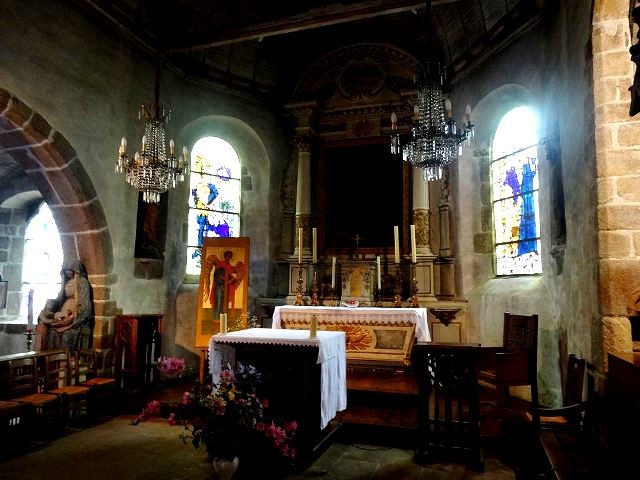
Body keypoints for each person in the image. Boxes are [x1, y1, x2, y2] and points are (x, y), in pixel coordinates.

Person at [41, 259, 93, 351]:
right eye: (65, 270)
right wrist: (50, 305)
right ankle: (53, 361)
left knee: (66, 335)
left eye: (70, 270)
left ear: (75, 270)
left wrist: (73, 316)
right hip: (64, 317)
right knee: (52, 332)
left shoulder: (82, 282)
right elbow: (60, 299)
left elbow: (84, 306)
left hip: (76, 320)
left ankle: (66, 362)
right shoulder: (67, 282)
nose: (67, 272)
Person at [203, 250, 245, 320]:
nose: (228, 257)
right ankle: (216, 319)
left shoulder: (231, 267)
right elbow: (217, 274)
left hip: (226, 288)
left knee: (223, 304)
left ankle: (222, 320)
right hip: (218, 286)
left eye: (230, 256)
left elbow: (232, 278)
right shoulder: (219, 264)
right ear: (225, 256)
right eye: (227, 256)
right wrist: (221, 284)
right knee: (218, 302)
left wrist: (233, 279)